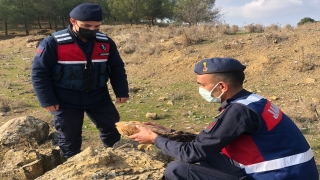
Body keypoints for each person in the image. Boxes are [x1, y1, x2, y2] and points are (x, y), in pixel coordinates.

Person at [128, 57, 319, 180]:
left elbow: (191, 153)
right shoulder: (251, 101)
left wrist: (154, 139)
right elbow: (208, 143)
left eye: (202, 85)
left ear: (221, 87)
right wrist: (168, 134)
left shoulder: (239, 111)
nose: (200, 90)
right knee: (207, 155)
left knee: (177, 169)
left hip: (278, 176)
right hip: (289, 173)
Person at [31, 3, 129, 158]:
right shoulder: (53, 43)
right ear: (72, 21)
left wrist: (122, 90)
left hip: (98, 95)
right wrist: (47, 100)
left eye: (96, 26)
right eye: (86, 25)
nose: (92, 29)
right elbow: (39, 73)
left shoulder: (106, 42)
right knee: (69, 136)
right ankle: (71, 167)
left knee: (112, 128)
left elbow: (116, 68)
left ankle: (115, 159)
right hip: (65, 98)